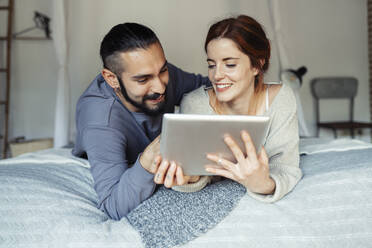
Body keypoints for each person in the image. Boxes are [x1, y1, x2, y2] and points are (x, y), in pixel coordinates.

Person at [72, 23, 208, 220]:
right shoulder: (101, 122)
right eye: (143, 80)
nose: (160, 87)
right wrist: (146, 161)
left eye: (163, 70)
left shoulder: (160, 75)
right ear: (111, 78)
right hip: (115, 160)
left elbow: (210, 89)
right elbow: (112, 206)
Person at [172, 15, 302, 203]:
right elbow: (199, 172)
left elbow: (285, 167)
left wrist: (263, 185)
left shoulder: (281, 98)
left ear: (258, 64)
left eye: (230, 64)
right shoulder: (195, 104)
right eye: (211, 65)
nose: (216, 75)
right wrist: (191, 177)